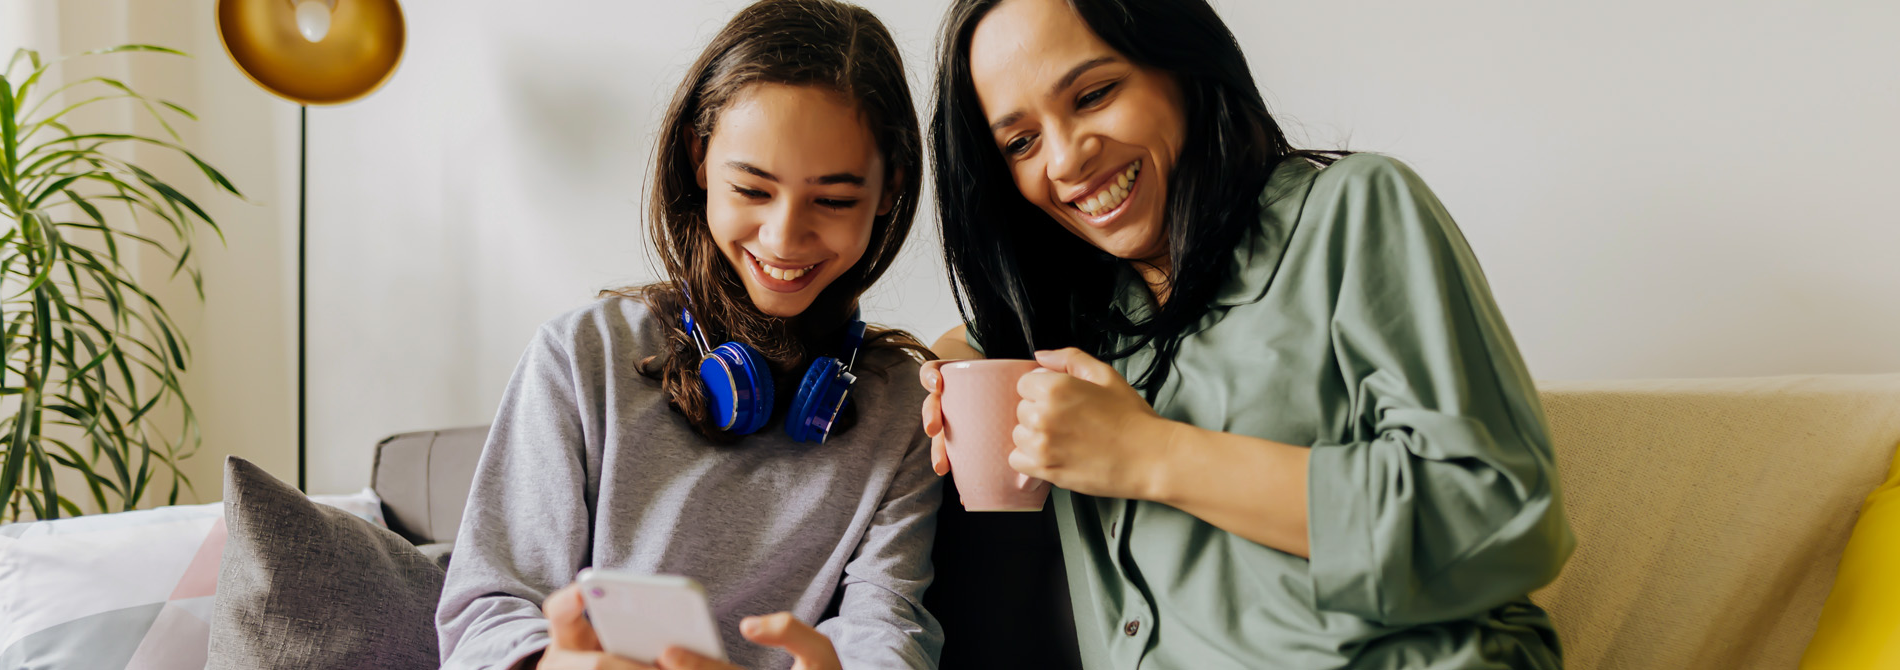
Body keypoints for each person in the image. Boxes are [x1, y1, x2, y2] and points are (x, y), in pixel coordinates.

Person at [919, 0, 1577, 667]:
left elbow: (1500, 520)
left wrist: (1149, 453)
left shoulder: (1353, 213)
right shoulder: (1086, 320)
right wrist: (940, 376)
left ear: (1179, 62)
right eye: (1021, 142)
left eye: (1093, 94)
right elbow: (967, 342)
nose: (1065, 159)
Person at [436, 2, 940, 668]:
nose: (785, 236)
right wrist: (552, 663)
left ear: (888, 191)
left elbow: (889, 631)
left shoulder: (905, 405)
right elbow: (483, 619)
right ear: (699, 159)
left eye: (835, 200)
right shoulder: (579, 357)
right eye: (753, 189)